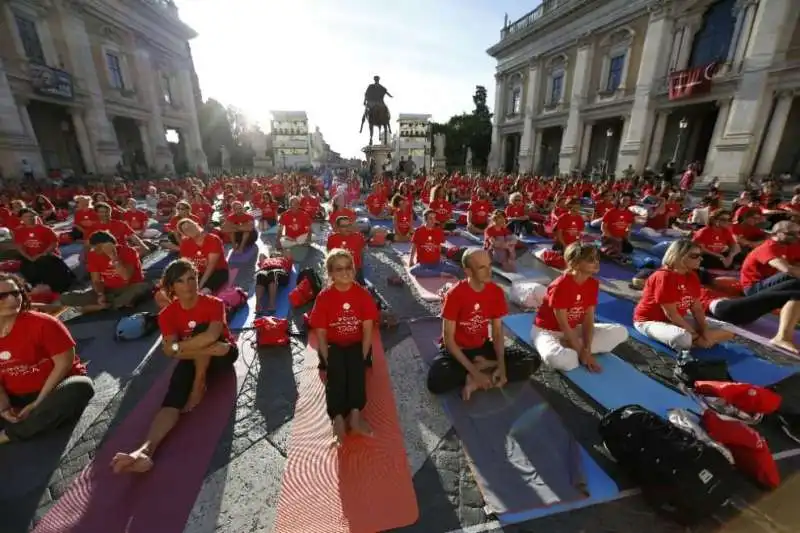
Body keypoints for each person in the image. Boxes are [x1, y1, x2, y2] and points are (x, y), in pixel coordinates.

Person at [111, 260, 238, 473]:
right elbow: (174, 349)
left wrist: (179, 347)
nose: (188, 285)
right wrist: (179, 349)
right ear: (172, 287)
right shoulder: (167, 315)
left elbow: (209, 335)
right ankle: (143, 451)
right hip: (206, 352)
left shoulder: (214, 303)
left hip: (223, 355)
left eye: (192, 279)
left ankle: (199, 384)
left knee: (208, 337)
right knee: (174, 397)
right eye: (181, 281)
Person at [427, 248, 538, 399]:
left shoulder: (496, 292)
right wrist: (475, 371)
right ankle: (479, 374)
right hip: (459, 350)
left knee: (532, 361)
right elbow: (449, 341)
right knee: (436, 381)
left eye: (489, 265)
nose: (489, 271)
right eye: (481, 267)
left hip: (483, 347)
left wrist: (502, 366)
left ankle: (482, 371)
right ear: (468, 272)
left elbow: (498, 333)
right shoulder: (454, 294)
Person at [0, 273, 94, 445]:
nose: (12, 300)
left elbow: (64, 364)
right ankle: (35, 420)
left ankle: (10, 434)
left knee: (81, 386)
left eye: (16, 293)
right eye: (2, 296)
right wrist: (4, 407)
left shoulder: (43, 323)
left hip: (53, 389)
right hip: (14, 395)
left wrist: (37, 403)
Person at [308, 249, 378, 445]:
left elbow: (367, 331)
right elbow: (321, 334)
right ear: (330, 273)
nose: (345, 272)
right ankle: (337, 417)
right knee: (337, 374)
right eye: (339, 269)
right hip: (333, 345)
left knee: (356, 372)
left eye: (349, 268)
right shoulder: (324, 297)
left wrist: (362, 358)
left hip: (357, 344)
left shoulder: (362, 294)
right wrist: (327, 360)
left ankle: (355, 415)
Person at [531, 243, 628, 372]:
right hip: (548, 331)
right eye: (590, 260)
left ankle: (570, 347)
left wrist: (586, 349)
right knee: (563, 360)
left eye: (596, 258)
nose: (596, 262)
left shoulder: (593, 284)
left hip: (574, 329)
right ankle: (566, 348)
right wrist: (581, 351)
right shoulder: (560, 286)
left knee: (621, 332)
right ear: (575, 264)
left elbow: (588, 320)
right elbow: (563, 325)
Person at [634, 239, 734, 351]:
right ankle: (700, 341)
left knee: (729, 328)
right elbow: (671, 314)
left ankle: (702, 341)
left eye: (700, 255)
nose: (700, 258)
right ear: (679, 256)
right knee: (683, 338)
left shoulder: (691, 276)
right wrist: (696, 337)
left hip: (679, 318)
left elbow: (697, 309)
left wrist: (704, 331)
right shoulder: (664, 277)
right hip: (650, 321)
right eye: (695, 256)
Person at [59, 231, 151, 313]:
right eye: (93, 248)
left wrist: (113, 257)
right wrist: (100, 294)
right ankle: (110, 305)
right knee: (65, 297)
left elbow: (125, 276)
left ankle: (96, 307)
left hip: (129, 287)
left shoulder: (129, 251)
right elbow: (96, 280)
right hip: (108, 290)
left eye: (97, 248)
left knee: (142, 288)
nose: (95, 250)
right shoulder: (93, 255)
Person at [14, 208, 75, 293]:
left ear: (36, 217)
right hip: (30, 256)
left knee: (44, 262)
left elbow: (54, 244)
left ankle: (57, 288)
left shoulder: (45, 229)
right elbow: (19, 246)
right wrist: (28, 257)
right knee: (26, 266)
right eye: (26, 217)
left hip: (47, 255)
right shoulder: (19, 231)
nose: (29, 218)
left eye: (32, 216)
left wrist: (43, 254)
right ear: (21, 219)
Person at [177, 219, 229, 294]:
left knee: (203, 292)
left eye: (191, 226)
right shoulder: (185, 244)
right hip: (198, 272)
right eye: (186, 230)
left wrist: (200, 285)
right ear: (184, 234)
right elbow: (185, 265)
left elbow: (211, 266)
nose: (190, 230)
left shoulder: (213, 239)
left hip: (217, 271)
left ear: (197, 225)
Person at [409, 209, 461, 278]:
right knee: (413, 271)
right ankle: (440, 273)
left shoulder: (438, 231)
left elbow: (439, 246)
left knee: (457, 270)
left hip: (437, 262)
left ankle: (431, 272)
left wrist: (441, 258)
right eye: (430, 218)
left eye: (434, 218)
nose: (433, 220)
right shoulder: (419, 231)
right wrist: (411, 260)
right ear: (425, 220)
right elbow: (414, 246)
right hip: (423, 263)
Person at [327, 216, 367, 285]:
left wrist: (360, 267)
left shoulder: (359, 237)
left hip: (355, 270)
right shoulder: (332, 239)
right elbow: (330, 256)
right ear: (338, 228)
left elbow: (362, 252)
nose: (347, 228)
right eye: (343, 226)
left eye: (349, 225)